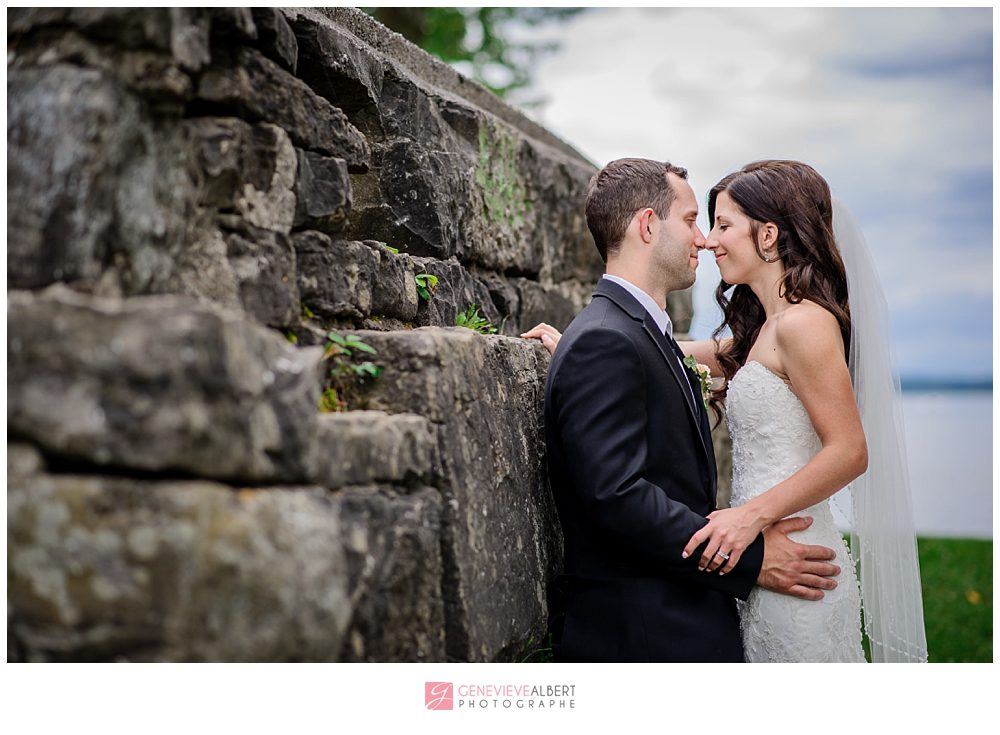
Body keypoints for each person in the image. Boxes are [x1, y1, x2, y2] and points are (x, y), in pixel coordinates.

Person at [524, 159, 928, 663]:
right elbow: (654, 353)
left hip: (792, 554)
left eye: (722, 224)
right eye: (700, 221)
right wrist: (573, 347)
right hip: (746, 564)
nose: (709, 240)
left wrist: (747, 519)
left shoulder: (804, 325)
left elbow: (849, 449)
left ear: (768, 236)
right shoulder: (757, 336)